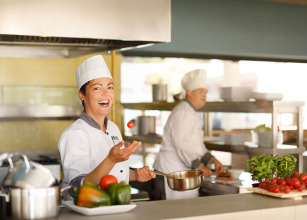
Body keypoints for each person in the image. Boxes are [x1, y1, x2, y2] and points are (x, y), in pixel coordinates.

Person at [59, 55, 156, 200]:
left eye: (109, 87)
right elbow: (78, 187)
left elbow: (116, 170)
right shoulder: (74, 134)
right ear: (82, 95)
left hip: (114, 206)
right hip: (85, 210)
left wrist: (136, 175)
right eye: (97, 88)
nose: (106, 94)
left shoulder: (113, 128)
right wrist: (111, 159)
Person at [153, 69, 224, 200]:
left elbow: (195, 144)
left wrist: (211, 159)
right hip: (172, 172)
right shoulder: (183, 112)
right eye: (200, 91)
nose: (204, 95)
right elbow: (181, 145)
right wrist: (199, 166)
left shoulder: (191, 112)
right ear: (190, 93)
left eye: (206, 92)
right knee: (178, 211)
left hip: (181, 172)